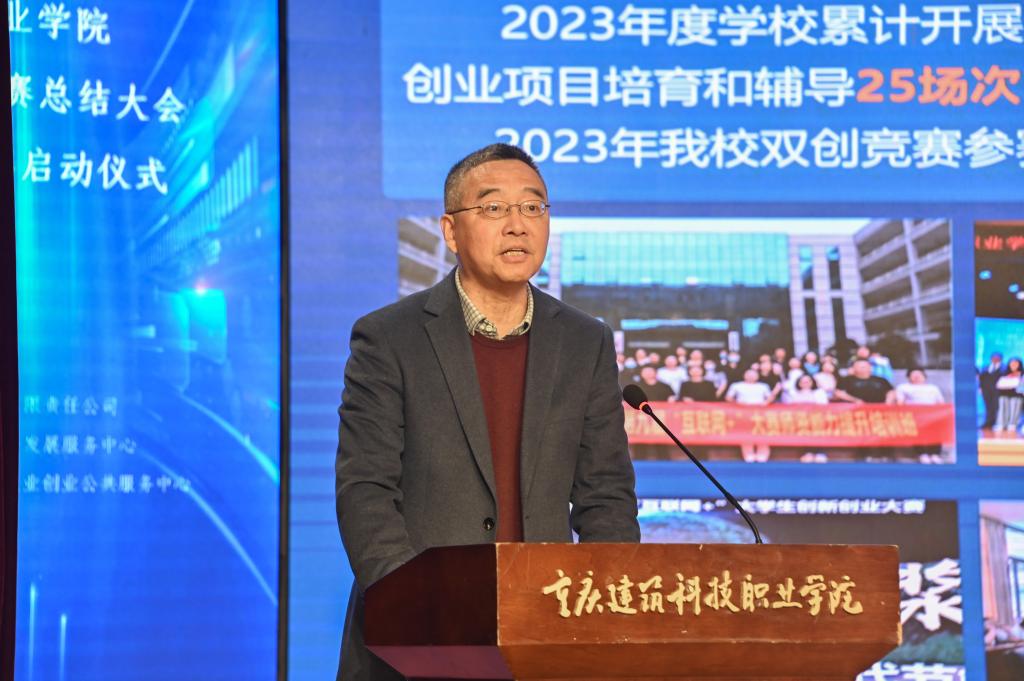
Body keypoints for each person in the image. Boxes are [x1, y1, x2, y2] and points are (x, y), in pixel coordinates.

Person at [335, 143, 640, 681]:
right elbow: (366, 491)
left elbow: (606, 496)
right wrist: (415, 609)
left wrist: (603, 613)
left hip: (543, 643)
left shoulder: (585, 341)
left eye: (533, 207)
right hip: (415, 645)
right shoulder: (388, 338)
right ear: (451, 231)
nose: (518, 225)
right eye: (494, 208)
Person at [895, 368, 945, 463]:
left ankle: (935, 454)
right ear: (909, 377)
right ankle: (922, 453)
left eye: (919, 375)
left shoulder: (933, 388)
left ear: (924, 377)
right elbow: (900, 402)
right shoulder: (903, 387)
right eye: (914, 375)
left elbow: (941, 402)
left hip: (932, 415)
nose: (917, 377)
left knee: (935, 434)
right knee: (918, 434)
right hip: (914, 416)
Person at [725, 369, 773, 462]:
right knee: (745, 434)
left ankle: (762, 454)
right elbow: (728, 398)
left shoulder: (763, 386)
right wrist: (738, 403)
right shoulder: (736, 385)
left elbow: (770, 398)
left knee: (762, 433)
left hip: (760, 414)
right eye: (749, 374)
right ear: (744, 375)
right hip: (743, 414)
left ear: (757, 376)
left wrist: (765, 403)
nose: (751, 376)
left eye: (753, 374)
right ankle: (748, 454)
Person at [994, 358, 1023, 433]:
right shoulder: (1004, 373)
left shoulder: (1022, 374)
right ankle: (1001, 424)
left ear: (1019, 365)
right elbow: (998, 385)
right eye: (1012, 363)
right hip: (1004, 394)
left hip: (1017, 395)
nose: (1013, 365)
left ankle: (1013, 424)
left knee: (1015, 406)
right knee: (1002, 407)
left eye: (1016, 364)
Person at [979, 352, 1006, 429]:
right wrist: (980, 388)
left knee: (996, 407)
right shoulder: (986, 367)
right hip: (986, 390)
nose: (995, 359)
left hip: (998, 391)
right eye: (993, 357)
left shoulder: (1004, 368)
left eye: (997, 358)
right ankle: (988, 422)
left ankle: (997, 422)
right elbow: (982, 378)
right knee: (988, 407)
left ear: (1001, 359)